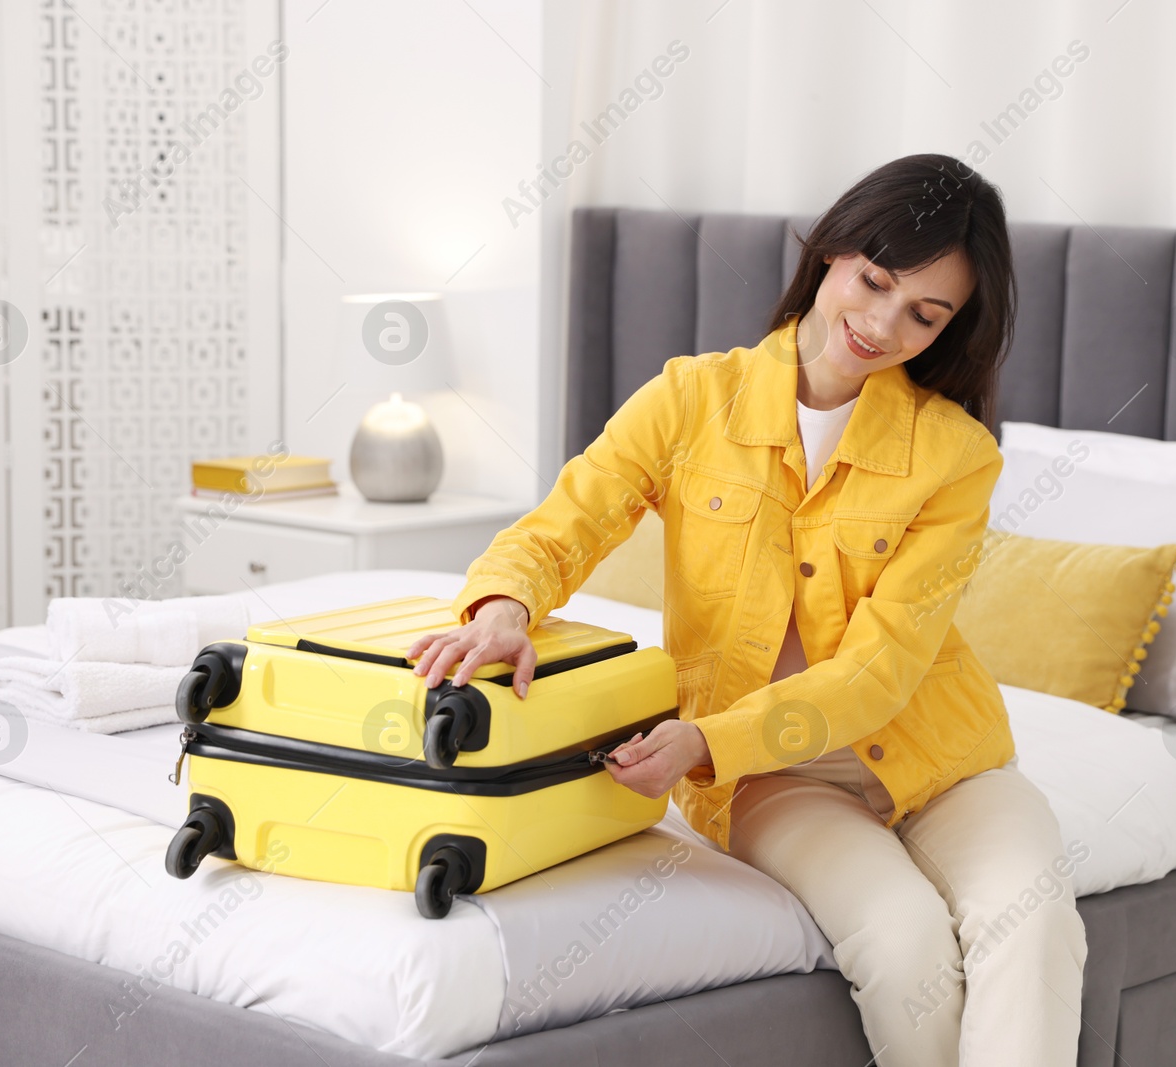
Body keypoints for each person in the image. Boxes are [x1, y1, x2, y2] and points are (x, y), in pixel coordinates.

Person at [406, 153, 1087, 1066]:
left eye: (926, 313)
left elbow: (882, 669)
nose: (883, 323)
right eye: (874, 280)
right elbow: (567, 523)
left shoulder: (956, 455)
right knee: (902, 938)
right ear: (832, 254)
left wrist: (704, 740)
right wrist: (503, 607)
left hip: (947, 759)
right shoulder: (692, 400)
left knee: (1034, 919)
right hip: (775, 777)